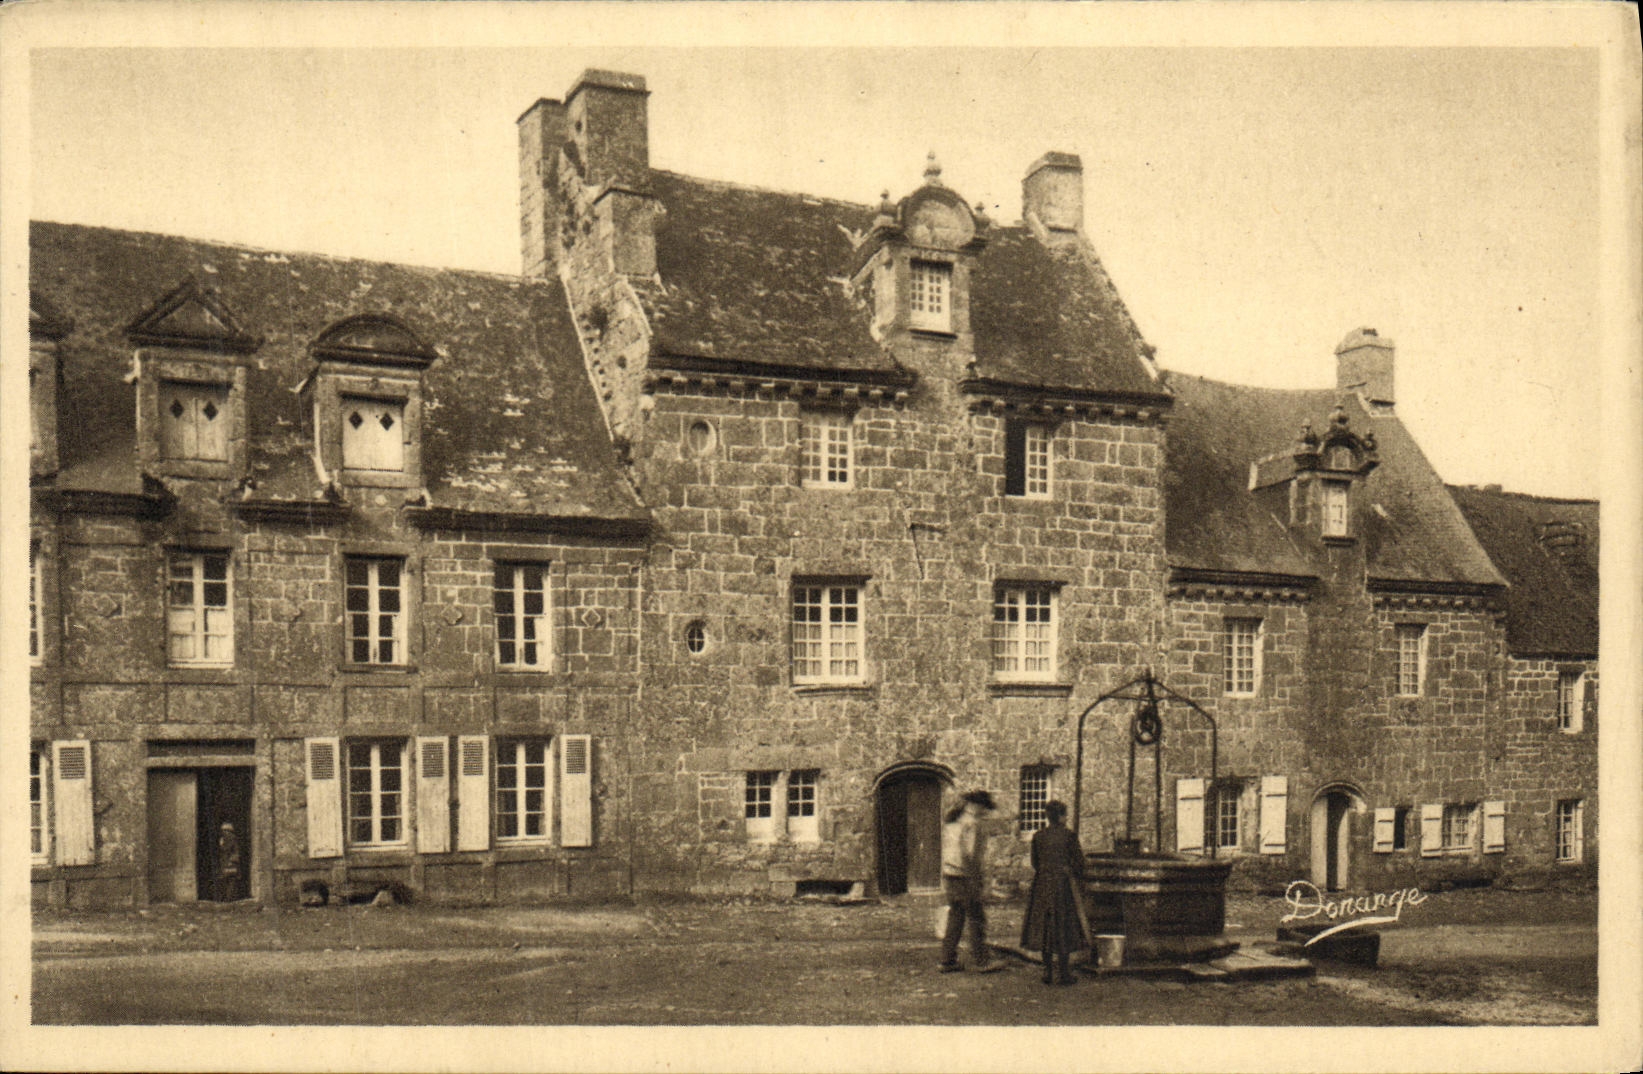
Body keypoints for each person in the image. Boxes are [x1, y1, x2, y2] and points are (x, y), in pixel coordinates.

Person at [1021, 800, 1087, 985]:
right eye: (1065, 814)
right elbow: (1079, 862)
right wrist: (1069, 871)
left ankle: (1048, 972)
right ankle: (1064, 973)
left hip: (1042, 885)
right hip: (1062, 886)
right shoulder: (1069, 836)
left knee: (1045, 926)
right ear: (1060, 817)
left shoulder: (1038, 836)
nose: (1067, 818)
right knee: (1063, 926)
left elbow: (1035, 862)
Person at [938, 789, 1005, 973]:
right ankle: (982, 960)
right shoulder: (972, 824)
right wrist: (977, 880)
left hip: (950, 874)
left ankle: (947, 959)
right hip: (965, 876)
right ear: (976, 806)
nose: (986, 812)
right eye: (984, 808)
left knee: (956, 916)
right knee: (976, 917)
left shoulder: (953, 822)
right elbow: (969, 855)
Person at [217, 822, 243, 901]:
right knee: (229, 879)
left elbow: (227, 849)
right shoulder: (230, 838)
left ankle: (228, 898)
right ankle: (228, 897)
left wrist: (221, 845)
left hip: (229, 861)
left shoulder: (230, 838)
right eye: (223, 830)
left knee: (228, 879)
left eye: (225, 830)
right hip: (229, 861)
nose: (224, 832)